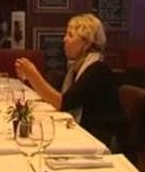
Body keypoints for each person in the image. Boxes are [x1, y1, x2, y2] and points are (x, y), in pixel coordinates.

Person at [14, 13, 123, 149]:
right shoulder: (77, 67)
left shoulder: (97, 69)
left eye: (70, 35)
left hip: (99, 141)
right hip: (85, 133)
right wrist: (28, 78)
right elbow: (55, 95)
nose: (64, 40)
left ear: (86, 42)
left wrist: (33, 75)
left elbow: (62, 103)